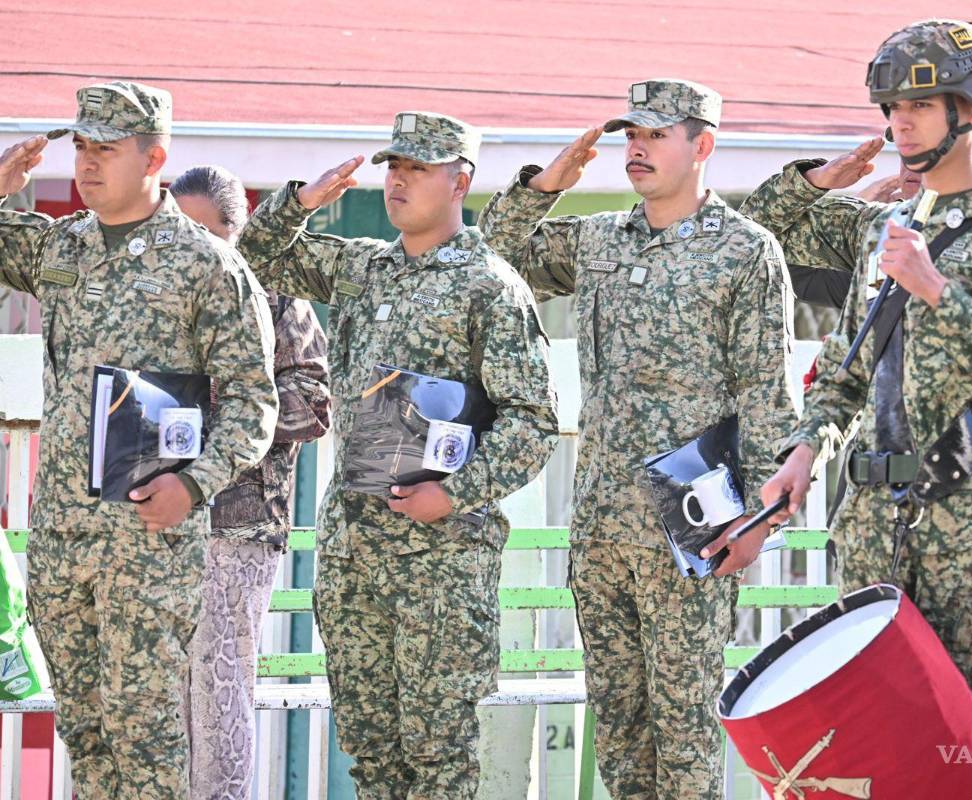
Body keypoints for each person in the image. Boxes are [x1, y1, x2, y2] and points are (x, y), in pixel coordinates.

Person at [739, 21, 972, 798]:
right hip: (869, 523)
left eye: (919, 104)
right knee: (864, 752)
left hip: (971, 522)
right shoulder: (887, 227)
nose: (898, 122)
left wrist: (941, 294)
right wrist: (805, 451)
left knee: (964, 754)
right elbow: (845, 376)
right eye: (892, 106)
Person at [477, 78, 796, 798]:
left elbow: (767, 394)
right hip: (600, 526)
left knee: (683, 734)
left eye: (655, 135)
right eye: (631, 136)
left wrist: (760, 523)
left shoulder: (745, 252)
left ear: (702, 145)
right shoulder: (599, 240)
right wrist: (548, 182)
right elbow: (494, 252)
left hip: (694, 531)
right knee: (619, 731)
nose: (637, 149)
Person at [236, 111, 558, 798]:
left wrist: (456, 492)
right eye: (393, 166)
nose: (398, 179)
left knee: (438, 759)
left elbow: (532, 423)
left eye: (417, 167)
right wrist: (300, 203)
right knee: (373, 757)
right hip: (356, 555)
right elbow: (257, 256)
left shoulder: (490, 285)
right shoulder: (364, 268)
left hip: (439, 561)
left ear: (460, 180)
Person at [0, 81, 278, 798]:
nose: (87, 165)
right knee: (87, 738)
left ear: (154, 156)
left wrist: (194, 484)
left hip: (146, 546)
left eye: (107, 150)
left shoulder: (208, 266)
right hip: (64, 538)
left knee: (147, 740)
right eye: (82, 148)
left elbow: (254, 399)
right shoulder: (65, 247)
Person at [170, 164, 332, 800]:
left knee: (218, 691)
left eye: (203, 231)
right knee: (144, 698)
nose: (190, 245)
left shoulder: (275, 301)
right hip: (146, 523)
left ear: (236, 231)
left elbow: (315, 407)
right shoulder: (152, 298)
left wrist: (224, 403)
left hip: (234, 527)